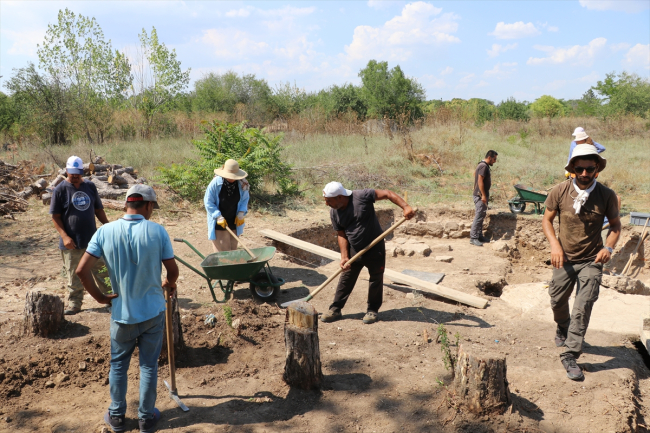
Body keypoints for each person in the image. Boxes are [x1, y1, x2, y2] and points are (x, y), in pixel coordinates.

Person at [76, 184, 178, 433]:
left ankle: (117, 417)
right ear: (148, 205)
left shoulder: (105, 232)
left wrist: (101, 297)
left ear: (125, 204)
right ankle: (145, 418)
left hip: (121, 314)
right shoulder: (157, 231)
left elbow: (81, 270)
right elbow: (172, 270)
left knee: (119, 365)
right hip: (153, 312)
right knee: (148, 366)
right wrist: (169, 283)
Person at [542, 145, 620, 381]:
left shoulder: (606, 195)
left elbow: (616, 226)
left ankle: (571, 354)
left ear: (597, 169)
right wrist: (555, 246)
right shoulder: (560, 191)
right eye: (580, 169)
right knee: (557, 299)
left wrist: (608, 247)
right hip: (564, 258)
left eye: (589, 168)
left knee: (583, 304)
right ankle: (562, 325)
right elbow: (546, 220)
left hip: (592, 259)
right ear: (572, 169)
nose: (584, 173)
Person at [319, 182, 415, 325]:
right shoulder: (334, 212)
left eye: (328, 200)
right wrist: (344, 256)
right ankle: (335, 309)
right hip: (354, 250)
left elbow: (387, 193)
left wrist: (405, 206)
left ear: (339, 197)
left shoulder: (361, 196)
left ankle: (372, 310)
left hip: (375, 247)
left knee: (376, 278)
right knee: (346, 278)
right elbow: (341, 234)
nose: (326, 204)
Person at [50, 155, 110, 315]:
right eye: (72, 173)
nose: (75, 176)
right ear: (67, 171)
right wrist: (64, 236)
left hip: (93, 241)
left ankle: (111, 300)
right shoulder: (60, 190)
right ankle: (75, 304)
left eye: (78, 173)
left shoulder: (90, 186)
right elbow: (55, 217)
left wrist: (108, 227)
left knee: (103, 270)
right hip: (71, 243)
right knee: (73, 275)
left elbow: (98, 210)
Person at [204, 159, 250, 252]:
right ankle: (223, 266)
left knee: (233, 249)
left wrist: (241, 213)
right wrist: (218, 216)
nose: (232, 178)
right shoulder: (215, 183)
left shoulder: (243, 183)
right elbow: (208, 202)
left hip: (234, 220)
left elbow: (244, 200)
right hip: (219, 220)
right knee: (223, 251)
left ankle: (232, 266)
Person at [470, 150, 498, 247]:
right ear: (489, 157)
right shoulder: (483, 166)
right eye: (494, 159)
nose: (495, 161)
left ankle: (479, 235)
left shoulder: (482, 165)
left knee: (481, 216)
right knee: (479, 216)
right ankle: (473, 238)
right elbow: (480, 181)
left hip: (481, 195)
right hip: (480, 196)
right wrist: (483, 195)